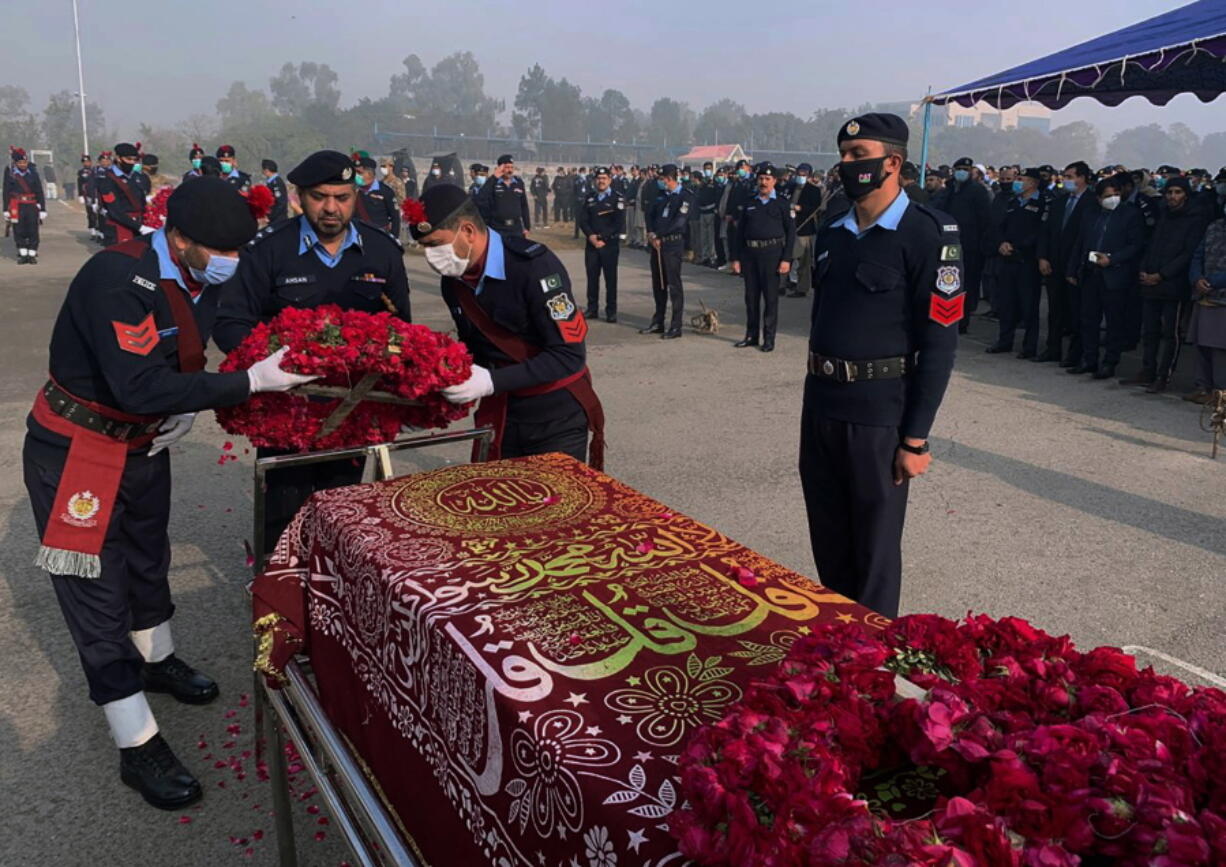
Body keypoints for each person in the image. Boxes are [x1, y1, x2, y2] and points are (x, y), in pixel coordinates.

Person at [22, 177, 314, 810]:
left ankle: (157, 660)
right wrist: (247, 383)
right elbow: (137, 386)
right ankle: (136, 740)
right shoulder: (115, 280)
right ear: (177, 238)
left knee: (147, 557)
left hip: (142, 444)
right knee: (97, 595)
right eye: (218, 250)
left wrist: (183, 404)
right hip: (81, 453)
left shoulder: (198, 273)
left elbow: (177, 363)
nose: (230, 262)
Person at [801, 113, 961, 618]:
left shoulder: (927, 233)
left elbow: (939, 344)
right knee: (829, 539)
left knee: (874, 553)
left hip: (878, 414)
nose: (846, 165)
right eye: (844, 156)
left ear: (892, 162)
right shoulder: (833, 233)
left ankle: (869, 664)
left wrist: (915, 438)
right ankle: (837, 641)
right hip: (821, 404)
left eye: (857, 156)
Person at [214, 150, 411, 553]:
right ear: (298, 197)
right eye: (320, 197)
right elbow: (230, 322)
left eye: (342, 197)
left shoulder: (381, 251)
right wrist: (269, 365)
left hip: (354, 411)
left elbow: (401, 329)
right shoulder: (268, 250)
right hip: (287, 410)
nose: (331, 208)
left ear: (356, 196)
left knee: (345, 515)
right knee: (284, 518)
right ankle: (277, 600)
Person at [407, 184, 605, 467]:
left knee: (552, 508)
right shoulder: (453, 281)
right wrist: (434, 392)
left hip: (555, 416)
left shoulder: (534, 267)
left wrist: (491, 381)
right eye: (424, 247)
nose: (430, 256)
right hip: (503, 413)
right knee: (499, 505)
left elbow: (568, 356)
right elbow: (475, 348)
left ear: (468, 231)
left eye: (435, 244)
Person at [1130, 176, 1204, 392]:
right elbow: (1152, 244)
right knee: (1150, 331)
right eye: (1170, 192)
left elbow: (1187, 253)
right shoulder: (1164, 214)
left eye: (1177, 192)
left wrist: (1162, 274)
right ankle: (1147, 370)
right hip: (1151, 280)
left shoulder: (1194, 219)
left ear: (1186, 195)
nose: (1173, 196)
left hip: (1173, 283)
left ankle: (1164, 375)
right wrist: (1144, 269)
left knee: (1170, 333)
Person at [1067, 175, 1145, 379]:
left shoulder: (1131, 214)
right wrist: (1073, 269)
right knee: (1088, 319)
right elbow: (1080, 242)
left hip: (1115, 274)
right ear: (1099, 198)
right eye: (1108, 196)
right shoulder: (1090, 214)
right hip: (1090, 273)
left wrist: (1112, 259)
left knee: (1114, 322)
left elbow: (1135, 245)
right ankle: (1089, 359)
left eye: (1116, 194)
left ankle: (1110, 362)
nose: (1113, 198)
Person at [730, 164, 795, 352]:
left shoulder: (782, 203)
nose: (763, 182)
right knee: (751, 298)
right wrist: (736, 258)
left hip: (772, 254)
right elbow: (740, 233)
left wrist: (786, 259)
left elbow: (790, 233)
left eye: (767, 179)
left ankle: (769, 338)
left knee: (770, 298)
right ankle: (751, 335)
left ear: (774, 181)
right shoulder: (750, 202)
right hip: (750, 255)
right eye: (761, 179)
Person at [1037, 161, 1096, 364]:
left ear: (1082, 178)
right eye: (1065, 176)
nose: (1066, 180)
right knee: (1055, 310)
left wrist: (1077, 265)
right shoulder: (1060, 201)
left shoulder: (1092, 202)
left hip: (1076, 266)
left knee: (1077, 312)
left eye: (1070, 176)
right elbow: (1046, 231)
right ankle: (1052, 349)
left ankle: (1075, 353)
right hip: (1054, 263)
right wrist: (1043, 257)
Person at [987, 168, 1047, 357]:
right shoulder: (1013, 201)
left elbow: (1041, 232)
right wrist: (1001, 243)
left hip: (1027, 260)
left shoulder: (1043, 203)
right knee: (1007, 303)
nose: (1017, 183)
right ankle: (1005, 341)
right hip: (1007, 258)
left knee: (1028, 305)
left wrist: (1019, 246)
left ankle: (1029, 347)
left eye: (1021, 179)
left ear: (1033, 182)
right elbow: (999, 226)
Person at [934, 157, 993, 332]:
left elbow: (985, 220)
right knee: (946, 281)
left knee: (967, 285)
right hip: (947, 244)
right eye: (958, 168)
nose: (962, 172)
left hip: (970, 245)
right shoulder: (949, 190)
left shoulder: (978, 191)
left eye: (965, 169)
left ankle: (962, 319)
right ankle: (946, 316)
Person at [643, 164, 693, 339]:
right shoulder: (660, 196)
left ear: (670, 179)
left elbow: (679, 222)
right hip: (656, 245)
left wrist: (660, 234)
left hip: (672, 245)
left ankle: (676, 325)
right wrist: (650, 233)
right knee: (659, 285)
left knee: (673, 285)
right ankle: (658, 321)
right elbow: (649, 214)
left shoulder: (684, 197)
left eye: (662, 179)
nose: (660, 182)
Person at [576, 166, 625, 323]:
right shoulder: (589, 198)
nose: (601, 181)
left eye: (604, 179)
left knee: (610, 279)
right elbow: (583, 220)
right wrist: (591, 236)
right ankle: (592, 308)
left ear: (609, 180)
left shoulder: (617, 198)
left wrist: (603, 238)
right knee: (592, 278)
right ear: (595, 180)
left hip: (609, 244)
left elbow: (618, 222)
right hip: (592, 244)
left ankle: (611, 311)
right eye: (599, 179)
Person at [1187, 213, 1226, 403]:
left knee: (1219, 348)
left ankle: (1220, 392)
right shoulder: (1214, 226)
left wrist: (1213, 282)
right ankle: (1202, 387)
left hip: (1222, 298)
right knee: (1200, 343)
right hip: (1203, 295)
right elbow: (1197, 255)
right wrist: (1196, 278)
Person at [97, 142, 150, 245]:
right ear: (118, 158)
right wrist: (140, 227)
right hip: (119, 228)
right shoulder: (107, 179)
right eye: (128, 159)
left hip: (139, 226)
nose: (132, 163)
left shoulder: (138, 177)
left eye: (134, 160)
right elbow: (115, 211)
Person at [4, 146, 46, 264]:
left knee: (33, 229)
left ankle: (32, 253)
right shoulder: (11, 174)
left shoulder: (33, 173)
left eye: (25, 162)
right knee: (19, 229)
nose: (23, 164)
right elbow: (6, 191)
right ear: (16, 163)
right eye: (20, 162)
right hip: (17, 205)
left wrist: (42, 208)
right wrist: (5, 209)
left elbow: (39, 191)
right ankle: (23, 253)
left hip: (31, 205)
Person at [788, 163, 824, 298]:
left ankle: (802, 288)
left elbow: (816, 208)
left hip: (805, 228)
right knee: (788, 257)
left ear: (809, 175)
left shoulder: (813, 190)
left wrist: (800, 208)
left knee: (804, 261)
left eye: (804, 175)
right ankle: (786, 283)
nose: (801, 177)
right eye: (799, 174)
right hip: (790, 226)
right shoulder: (792, 187)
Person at [475, 154, 531, 238]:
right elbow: (480, 198)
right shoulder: (492, 183)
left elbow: (524, 205)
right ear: (500, 168)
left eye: (512, 167)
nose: (510, 170)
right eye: (507, 167)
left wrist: (527, 226)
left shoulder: (518, 182)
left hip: (516, 228)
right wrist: (494, 177)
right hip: (498, 228)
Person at [353, 154, 400, 236]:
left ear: (370, 174)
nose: (356, 176)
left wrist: (394, 238)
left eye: (359, 172)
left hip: (380, 236)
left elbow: (395, 217)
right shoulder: (353, 191)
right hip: (358, 236)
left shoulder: (385, 191)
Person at [77, 153, 100, 239]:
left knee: (99, 213)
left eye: (87, 161)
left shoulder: (95, 170)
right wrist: (80, 195)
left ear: (90, 162)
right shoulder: (81, 172)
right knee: (90, 213)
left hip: (96, 194)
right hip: (87, 195)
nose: (86, 163)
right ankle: (92, 230)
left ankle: (99, 230)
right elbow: (80, 184)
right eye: (84, 162)